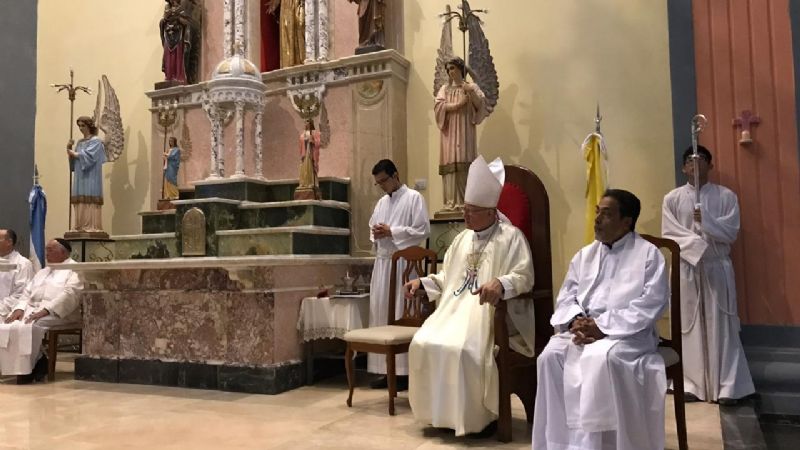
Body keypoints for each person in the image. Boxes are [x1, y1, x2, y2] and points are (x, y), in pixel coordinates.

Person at [405, 155, 536, 436]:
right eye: (465, 209)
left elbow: (524, 276)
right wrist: (424, 283)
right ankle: (440, 416)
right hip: (453, 311)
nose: (464, 216)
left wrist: (501, 283)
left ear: (490, 211)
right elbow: (448, 277)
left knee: (464, 350)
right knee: (422, 342)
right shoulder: (461, 239)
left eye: (472, 211)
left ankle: (476, 420)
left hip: (487, 315)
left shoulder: (511, 237)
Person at [532, 189, 669, 450]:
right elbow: (567, 295)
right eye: (597, 212)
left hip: (629, 336)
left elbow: (650, 305)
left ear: (626, 222)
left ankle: (603, 444)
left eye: (606, 215)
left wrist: (602, 328)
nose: (597, 220)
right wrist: (575, 322)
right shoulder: (585, 255)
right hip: (584, 331)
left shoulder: (649, 255)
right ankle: (559, 444)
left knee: (601, 358)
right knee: (550, 356)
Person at [662, 145, 755, 404]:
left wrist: (707, 221)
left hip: (716, 266)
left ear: (710, 165)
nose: (695, 164)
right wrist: (696, 245)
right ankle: (690, 383)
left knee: (721, 323)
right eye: (690, 161)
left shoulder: (726, 196)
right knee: (688, 323)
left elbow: (730, 231)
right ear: (683, 168)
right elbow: (670, 233)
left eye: (701, 159)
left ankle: (728, 385)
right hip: (687, 267)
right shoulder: (672, 198)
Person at [367, 159, 430, 390]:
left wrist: (392, 231)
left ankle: (404, 373)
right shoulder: (382, 203)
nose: (381, 186)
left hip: (404, 266)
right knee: (381, 313)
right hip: (383, 265)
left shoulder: (414, 198)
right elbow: (373, 229)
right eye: (378, 183)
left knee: (400, 314)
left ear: (396, 175)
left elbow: (423, 229)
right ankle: (385, 370)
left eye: (383, 180)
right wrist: (377, 233)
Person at [0, 239, 82, 384]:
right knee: (7, 325)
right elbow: (27, 292)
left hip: (60, 313)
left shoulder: (75, 269)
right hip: (33, 310)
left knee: (30, 326)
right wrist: (19, 309)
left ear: (63, 252)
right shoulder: (44, 271)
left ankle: (30, 368)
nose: (46, 253)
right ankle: (33, 362)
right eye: (46, 250)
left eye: (51, 250)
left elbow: (70, 294)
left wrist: (46, 310)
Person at [434, 57, 488, 212]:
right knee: (451, 162)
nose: (451, 72)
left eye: (453, 68)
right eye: (448, 69)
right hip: (449, 132)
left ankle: (466, 201)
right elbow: (439, 107)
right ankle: (451, 202)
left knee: (464, 159)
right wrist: (459, 104)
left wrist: (471, 93)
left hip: (465, 131)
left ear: (460, 69)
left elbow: (480, 106)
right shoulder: (445, 89)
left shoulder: (470, 87)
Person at [67, 116, 107, 233]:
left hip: (91, 175)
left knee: (90, 195)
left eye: (83, 125)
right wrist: (69, 148)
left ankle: (91, 225)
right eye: (79, 125)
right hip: (80, 175)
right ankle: (79, 225)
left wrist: (75, 154)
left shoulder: (96, 141)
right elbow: (74, 162)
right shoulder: (80, 142)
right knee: (79, 196)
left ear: (89, 126)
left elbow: (90, 156)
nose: (80, 128)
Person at [159, 0, 198, 83]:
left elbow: (188, 23)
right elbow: (163, 21)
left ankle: (179, 76)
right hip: (168, 37)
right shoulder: (167, 8)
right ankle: (169, 76)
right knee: (169, 57)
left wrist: (179, 18)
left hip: (179, 37)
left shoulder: (182, 8)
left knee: (178, 57)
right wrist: (165, 19)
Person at [0, 229, 34, 320]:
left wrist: (1, 307)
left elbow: (21, 294)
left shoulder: (23, 264)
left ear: (9, 242)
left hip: (8, 310)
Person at [268, 0, 306, 67]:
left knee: (300, 24)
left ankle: (301, 60)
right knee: (288, 31)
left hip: (299, 3)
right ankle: (290, 64)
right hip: (287, 6)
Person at [296, 119, 321, 199]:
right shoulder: (303, 134)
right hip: (305, 153)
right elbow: (300, 144)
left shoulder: (314, 133)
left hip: (311, 153)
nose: (306, 124)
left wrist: (313, 141)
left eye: (307, 122)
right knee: (304, 167)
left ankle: (311, 182)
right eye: (305, 122)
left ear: (311, 123)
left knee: (310, 167)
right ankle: (304, 183)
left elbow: (318, 143)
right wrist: (305, 141)